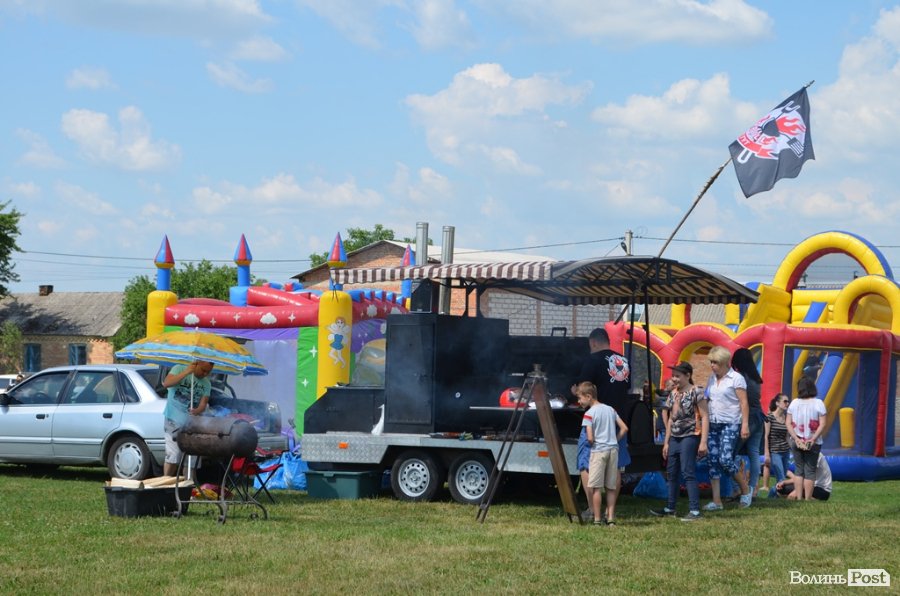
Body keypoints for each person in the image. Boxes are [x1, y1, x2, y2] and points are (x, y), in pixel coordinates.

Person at [572, 327, 632, 484]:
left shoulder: (593, 360)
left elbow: (583, 389)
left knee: (586, 462)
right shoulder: (623, 361)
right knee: (616, 464)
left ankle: (593, 501)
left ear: (593, 343)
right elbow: (626, 387)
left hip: (597, 420)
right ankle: (611, 501)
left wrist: (574, 390)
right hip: (618, 418)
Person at [650, 361, 709, 521]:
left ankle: (695, 511)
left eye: (678, 376)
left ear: (688, 375)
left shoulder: (696, 391)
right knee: (671, 473)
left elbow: (705, 417)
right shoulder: (673, 393)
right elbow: (671, 419)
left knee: (688, 472)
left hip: (690, 435)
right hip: (674, 437)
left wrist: (703, 441)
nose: (674, 379)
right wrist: (666, 442)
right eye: (673, 376)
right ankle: (670, 507)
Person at [703, 345, 752, 510]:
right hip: (713, 423)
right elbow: (707, 398)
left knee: (725, 460)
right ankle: (717, 501)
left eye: (715, 362)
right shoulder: (711, 378)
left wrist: (745, 425)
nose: (712, 365)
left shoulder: (736, 378)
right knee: (712, 460)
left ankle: (745, 490)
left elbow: (744, 402)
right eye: (711, 362)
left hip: (730, 423)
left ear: (724, 362)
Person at [578, 381, 628, 526]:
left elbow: (589, 438)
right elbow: (624, 428)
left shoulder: (588, 414)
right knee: (611, 487)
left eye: (580, 398)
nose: (579, 402)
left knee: (596, 488)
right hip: (613, 450)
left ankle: (597, 519)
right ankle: (611, 518)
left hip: (598, 451)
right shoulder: (611, 409)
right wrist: (615, 440)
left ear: (588, 396)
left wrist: (594, 442)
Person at [161, 361, 214, 476]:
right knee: (174, 456)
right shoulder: (179, 368)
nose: (205, 374)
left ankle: (188, 484)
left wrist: (197, 411)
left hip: (192, 425)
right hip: (173, 420)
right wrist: (187, 372)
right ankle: (166, 483)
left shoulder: (206, 384)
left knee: (191, 460)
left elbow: (203, 404)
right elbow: (167, 383)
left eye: (208, 372)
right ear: (196, 364)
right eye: (203, 370)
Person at [731, 348, 765, 499]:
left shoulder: (739, 378)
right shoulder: (755, 378)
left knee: (731, 452)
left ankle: (738, 488)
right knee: (754, 453)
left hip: (747, 417)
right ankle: (752, 489)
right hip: (759, 417)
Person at [786, 376, 827, 500]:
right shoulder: (819, 403)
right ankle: (807, 499)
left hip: (796, 440)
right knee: (810, 470)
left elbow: (788, 423)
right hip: (813, 442)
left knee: (799, 469)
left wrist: (796, 438)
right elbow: (823, 424)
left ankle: (799, 497)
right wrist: (813, 439)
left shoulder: (794, 403)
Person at [763, 393, 792, 493]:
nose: (787, 403)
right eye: (785, 401)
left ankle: (776, 495)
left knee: (782, 479)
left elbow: (787, 437)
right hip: (775, 452)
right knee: (781, 478)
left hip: (786, 452)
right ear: (777, 403)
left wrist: (794, 449)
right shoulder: (769, 417)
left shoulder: (786, 418)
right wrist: (767, 454)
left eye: (788, 401)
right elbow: (766, 436)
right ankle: (772, 494)